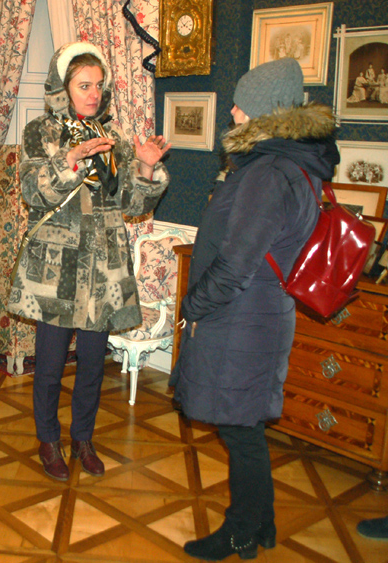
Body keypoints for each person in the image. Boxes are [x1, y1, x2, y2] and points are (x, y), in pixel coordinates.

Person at [169, 57, 339, 561]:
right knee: (246, 427)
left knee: (239, 431)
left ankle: (240, 531)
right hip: (259, 316)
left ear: (265, 111)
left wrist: (193, 305)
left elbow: (237, 263)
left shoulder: (269, 172)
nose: (233, 111)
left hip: (241, 320)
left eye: (241, 103)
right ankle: (262, 522)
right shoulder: (291, 163)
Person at [7, 42, 170, 482]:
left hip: (103, 271)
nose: (93, 94)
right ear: (63, 88)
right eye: (84, 85)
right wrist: (70, 159)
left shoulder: (112, 138)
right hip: (56, 269)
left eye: (98, 85)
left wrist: (145, 168)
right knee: (50, 366)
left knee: (94, 365)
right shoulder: (41, 132)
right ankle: (48, 440)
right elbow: (32, 193)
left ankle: (83, 438)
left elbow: (132, 205)